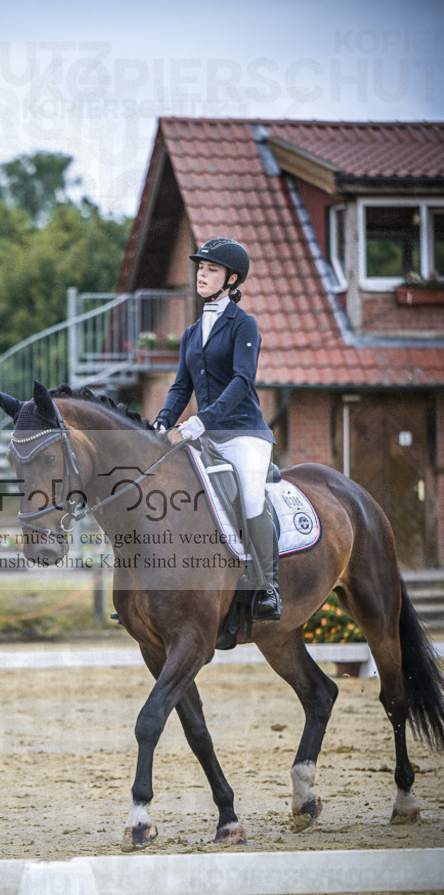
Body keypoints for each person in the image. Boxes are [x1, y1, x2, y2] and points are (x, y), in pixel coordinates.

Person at [153, 237, 281, 620]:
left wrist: (203, 419)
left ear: (232, 279)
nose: (201, 274)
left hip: (244, 434)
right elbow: (181, 386)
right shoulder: (192, 332)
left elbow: (242, 380)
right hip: (203, 435)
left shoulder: (244, 325)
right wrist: (161, 421)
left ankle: (266, 585)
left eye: (211, 269)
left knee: (252, 497)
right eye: (200, 268)